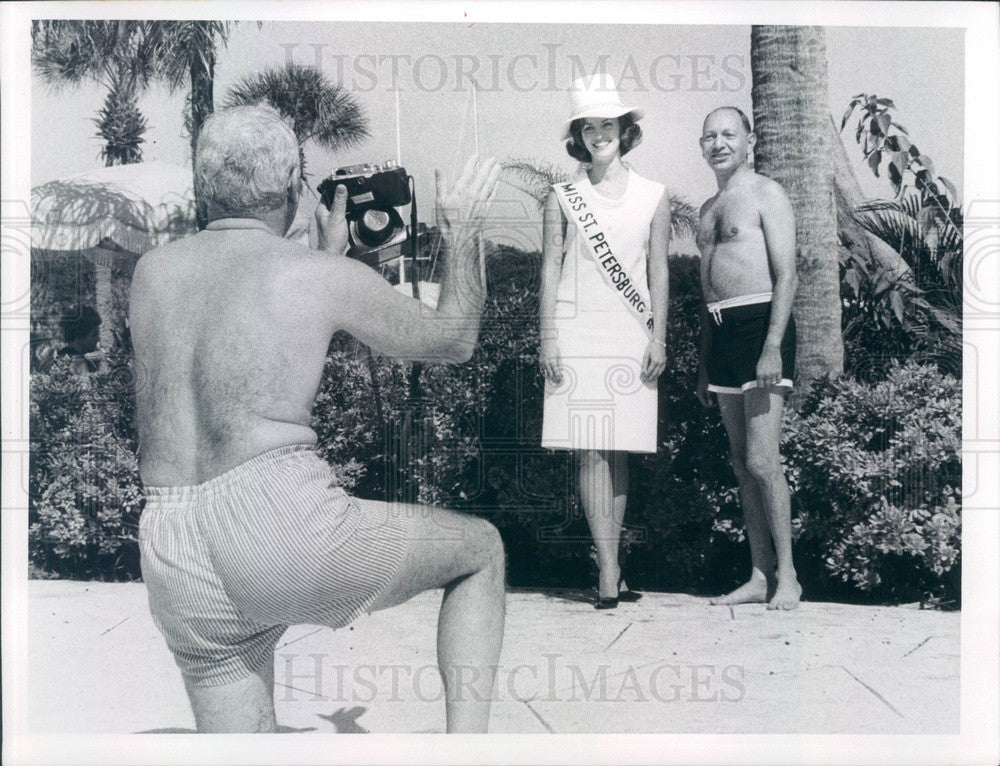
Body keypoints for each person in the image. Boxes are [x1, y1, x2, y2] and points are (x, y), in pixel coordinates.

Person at [130, 105, 505, 732]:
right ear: (286, 188)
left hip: (172, 537)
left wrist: (321, 255)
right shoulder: (319, 276)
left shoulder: (152, 273)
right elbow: (453, 337)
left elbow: (240, 311)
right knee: (480, 552)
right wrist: (462, 234)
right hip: (274, 518)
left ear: (205, 185)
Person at [539, 74, 671, 609]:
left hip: (630, 329)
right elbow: (549, 266)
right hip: (576, 329)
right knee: (590, 447)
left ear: (625, 129)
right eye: (588, 126)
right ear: (578, 134)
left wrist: (659, 334)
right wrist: (547, 336)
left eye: (607, 124)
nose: (598, 134)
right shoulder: (562, 196)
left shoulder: (654, 195)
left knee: (621, 450)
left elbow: (658, 269)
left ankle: (609, 564)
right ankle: (609, 569)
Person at [694, 106, 801, 610]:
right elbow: (706, 292)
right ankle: (758, 576)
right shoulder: (706, 209)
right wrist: (703, 362)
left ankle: (790, 578)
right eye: (710, 136)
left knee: (762, 459)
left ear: (749, 140)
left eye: (728, 134)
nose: (719, 143)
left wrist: (773, 346)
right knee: (741, 463)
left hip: (761, 328)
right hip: (721, 335)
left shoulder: (767, 194)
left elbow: (787, 276)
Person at [34, 306, 102, 374]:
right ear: (78, 336)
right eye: (94, 334)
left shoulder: (55, 359)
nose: (98, 339)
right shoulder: (76, 362)